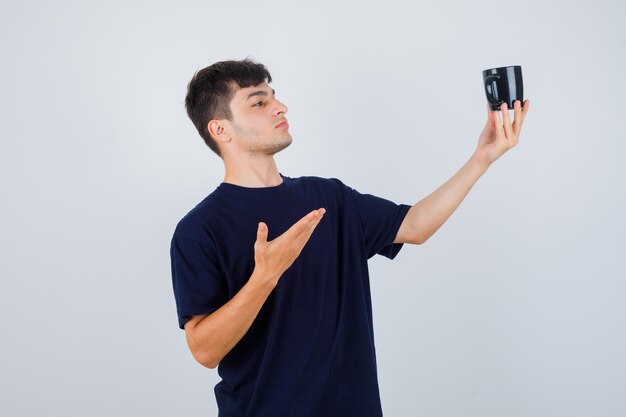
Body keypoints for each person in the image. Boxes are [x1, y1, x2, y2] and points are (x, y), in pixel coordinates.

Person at [170, 58, 530, 417]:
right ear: (220, 130)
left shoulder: (330, 198)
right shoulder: (199, 230)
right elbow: (204, 350)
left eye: (274, 97)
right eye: (259, 102)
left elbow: (415, 226)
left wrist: (482, 158)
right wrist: (264, 278)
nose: (280, 107)